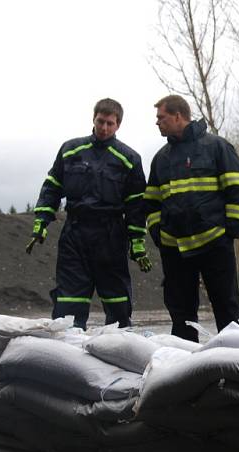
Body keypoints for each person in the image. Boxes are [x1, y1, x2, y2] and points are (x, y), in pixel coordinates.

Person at [28, 98, 150, 330]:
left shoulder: (129, 158)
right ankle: (67, 353)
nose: (104, 128)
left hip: (111, 235)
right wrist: (41, 221)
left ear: (118, 125)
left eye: (110, 124)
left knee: (117, 301)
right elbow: (52, 187)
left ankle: (118, 350)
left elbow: (136, 204)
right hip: (75, 233)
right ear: (93, 119)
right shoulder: (70, 149)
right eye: (101, 121)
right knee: (68, 302)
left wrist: (137, 242)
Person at [144, 95, 239, 342]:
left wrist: (230, 231)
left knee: (228, 310)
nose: (157, 122)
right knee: (181, 315)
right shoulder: (161, 158)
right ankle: (186, 370)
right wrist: (158, 233)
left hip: (215, 243)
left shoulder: (216, 147)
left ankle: (237, 367)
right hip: (175, 249)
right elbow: (151, 201)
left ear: (178, 116)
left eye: (161, 117)